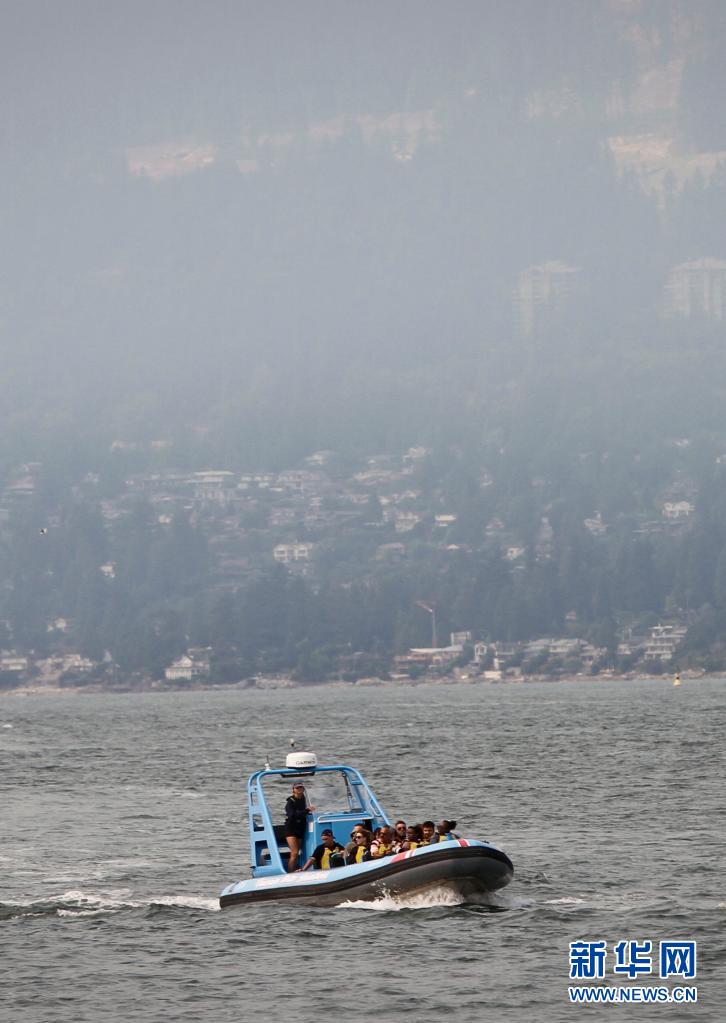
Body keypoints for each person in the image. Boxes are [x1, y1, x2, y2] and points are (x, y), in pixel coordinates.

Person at [284, 782, 315, 872]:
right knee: (295, 852)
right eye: (297, 788)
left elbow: (307, 810)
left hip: (300, 828)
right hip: (291, 829)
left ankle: (299, 869)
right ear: (293, 790)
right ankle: (290, 872)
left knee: (300, 851)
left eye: (301, 788)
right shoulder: (290, 802)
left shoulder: (305, 799)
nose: (299, 789)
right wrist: (307, 810)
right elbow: (292, 815)